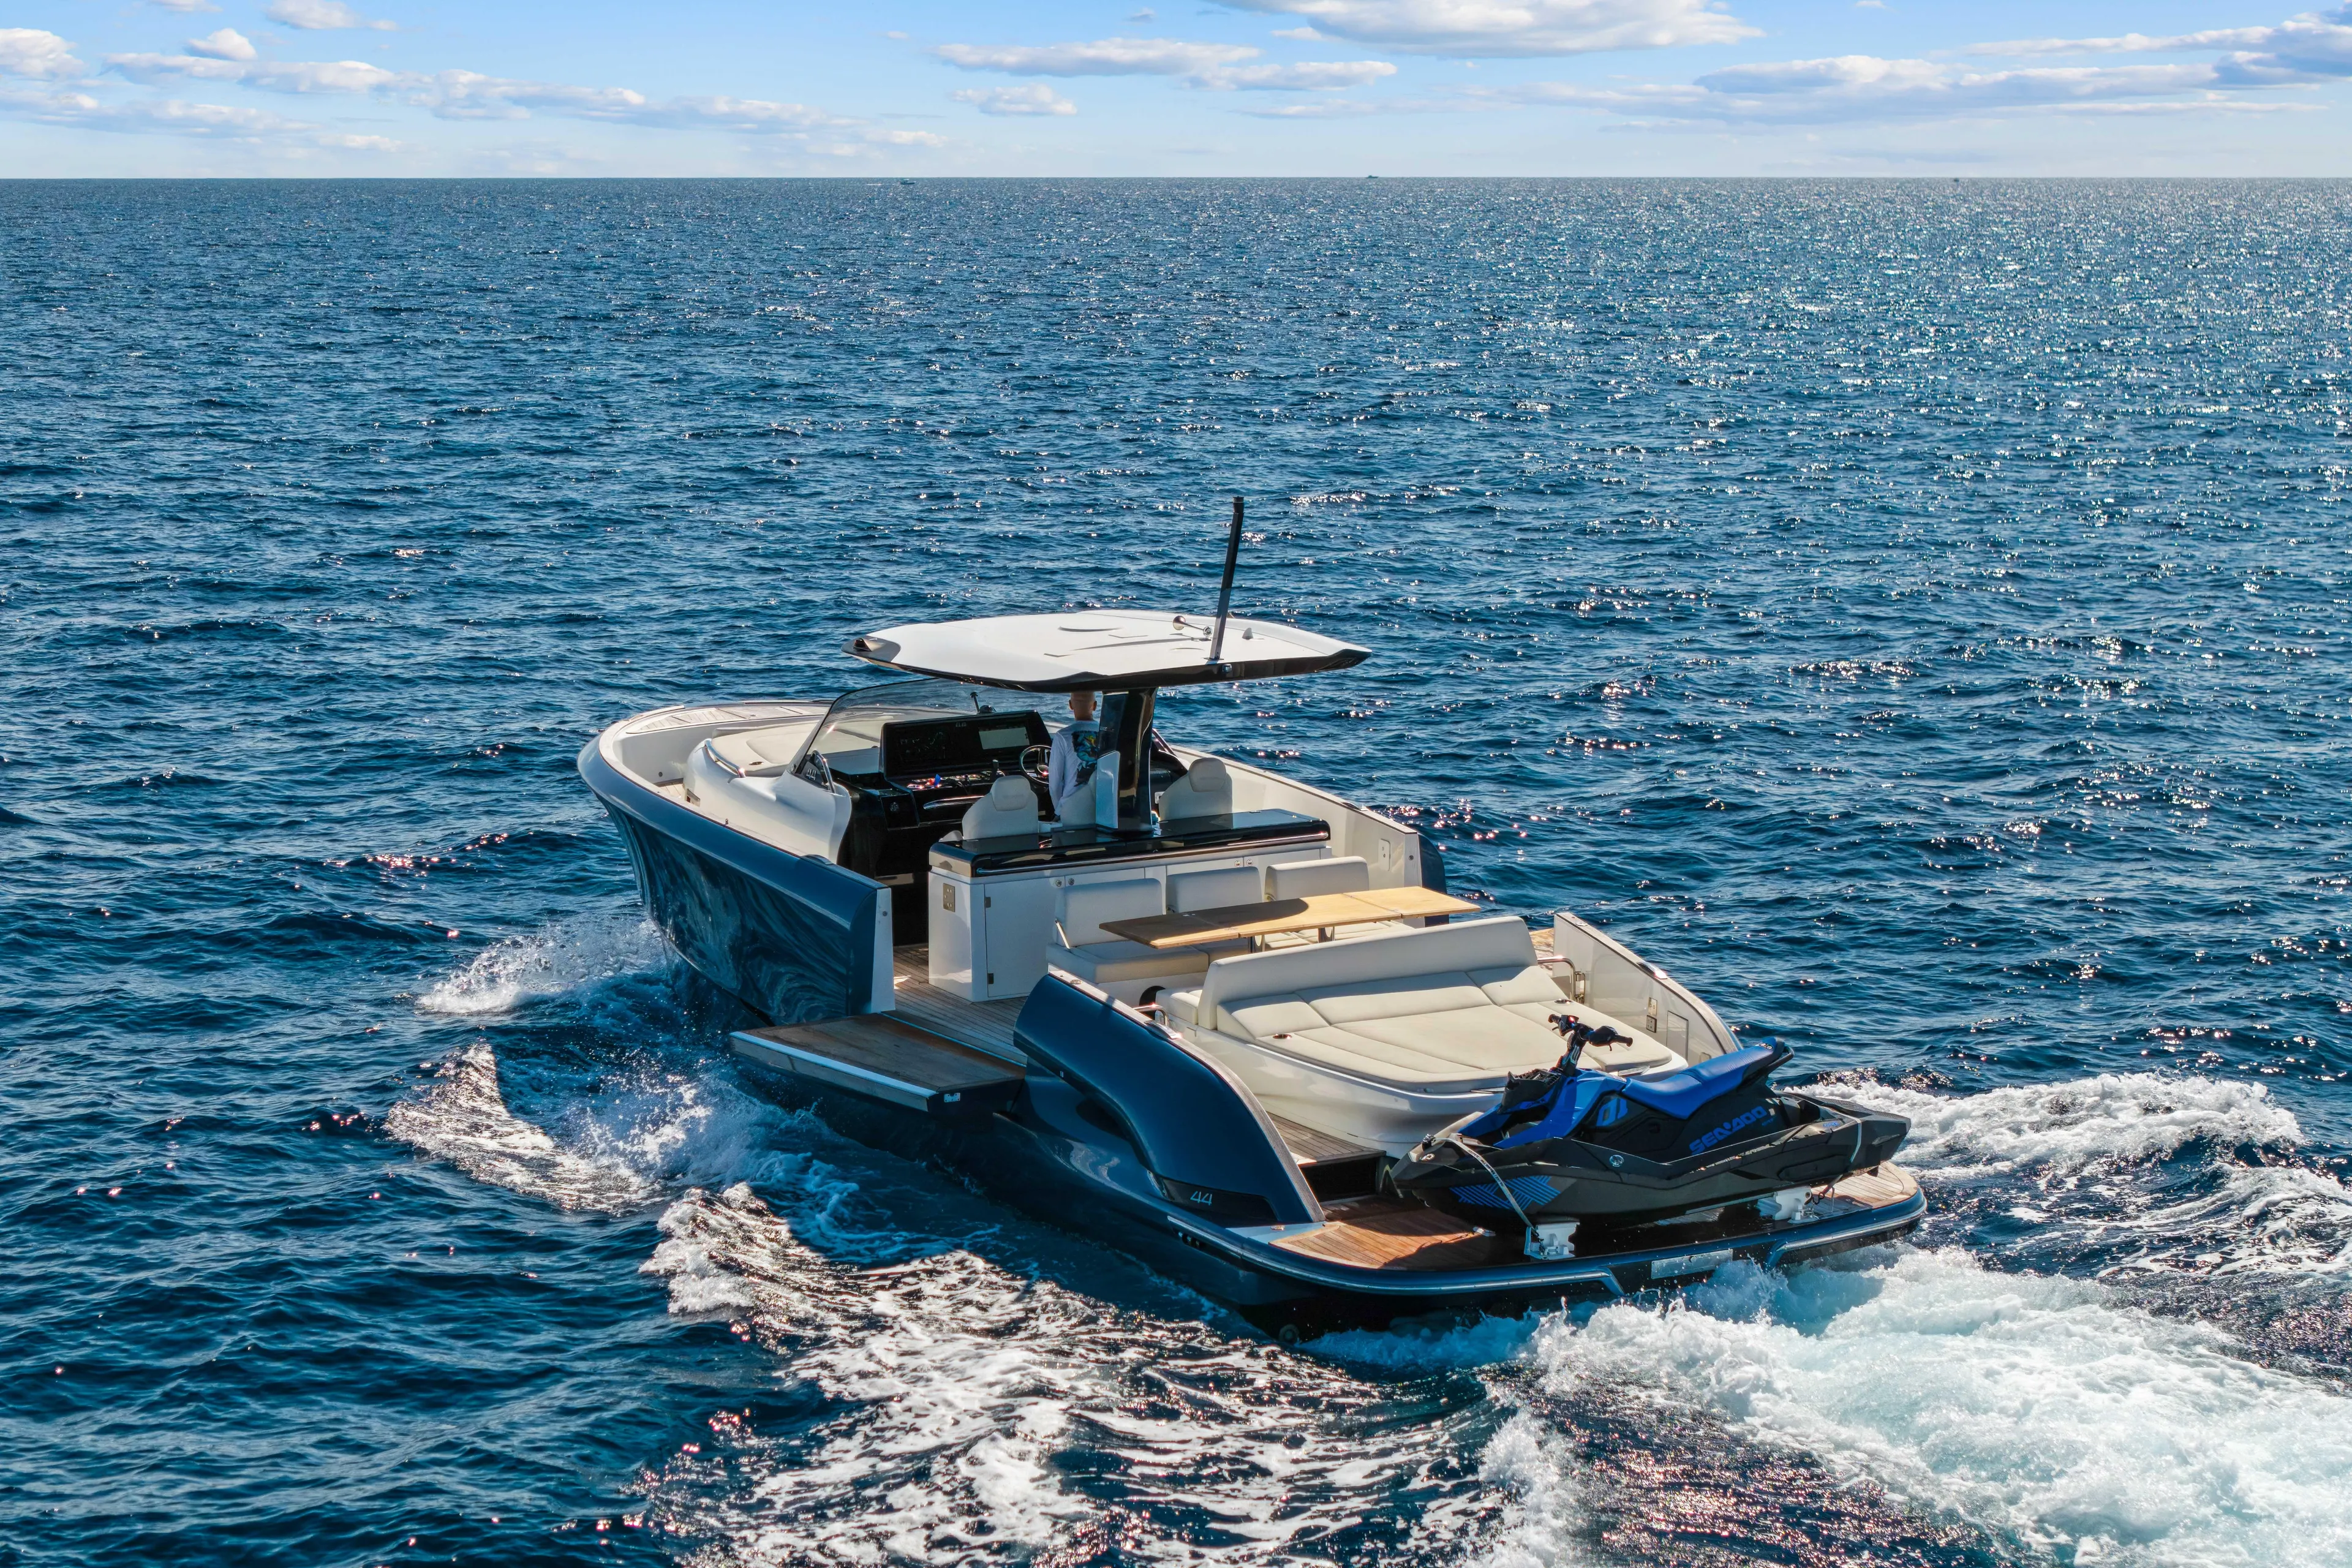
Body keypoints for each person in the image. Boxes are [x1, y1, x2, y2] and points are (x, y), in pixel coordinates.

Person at [1047, 690, 1101, 820]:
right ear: (1095, 706)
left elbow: (1055, 784)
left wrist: (1059, 811)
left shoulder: (1062, 736)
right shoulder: (1108, 734)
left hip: (1072, 811)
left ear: (1070, 705)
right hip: (1102, 808)